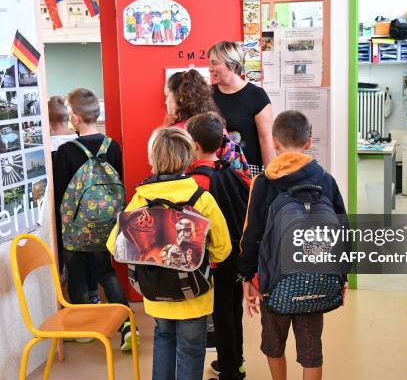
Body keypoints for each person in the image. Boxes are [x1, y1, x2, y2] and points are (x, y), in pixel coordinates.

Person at [108, 127, 231, 380]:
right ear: (189, 157)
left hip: (155, 291)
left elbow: (114, 245)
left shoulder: (141, 198)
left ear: (152, 159)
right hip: (194, 294)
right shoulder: (201, 199)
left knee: (163, 340)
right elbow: (223, 248)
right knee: (190, 348)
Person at [238, 111, 348, 380]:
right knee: (312, 350)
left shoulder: (263, 183)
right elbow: (343, 230)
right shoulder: (325, 180)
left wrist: (247, 278)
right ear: (309, 142)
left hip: (273, 281)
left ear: (275, 142)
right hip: (317, 277)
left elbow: (252, 236)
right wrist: (342, 275)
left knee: (273, 344)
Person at [52, 88, 134, 350]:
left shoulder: (66, 152)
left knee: (76, 276)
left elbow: (60, 194)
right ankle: (128, 326)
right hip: (106, 225)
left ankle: (85, 329)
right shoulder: (113, 146)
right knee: (106, 272)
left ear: (75, 118)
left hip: (75, 228)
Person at [185, 113, 250, 380]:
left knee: (221, 314)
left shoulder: (195, 182)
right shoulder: (235, 173)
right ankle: (236, 361)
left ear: (195, 145)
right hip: (239, 253)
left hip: (215, 259)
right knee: (234, 310)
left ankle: (231, 372)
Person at [48, 95, 100, 305]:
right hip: (96, 213)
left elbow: (59, 189)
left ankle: (80, 311)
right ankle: (94, 295)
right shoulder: (101, 144)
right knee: (95, 262)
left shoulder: (59, 150)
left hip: (70, 218)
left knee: (73, 263)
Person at [208, 41, 275, 176]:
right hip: (216, 173)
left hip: (249, 173)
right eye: (210, 63)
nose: (210, 68)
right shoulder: (207, 94)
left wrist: (271, 179)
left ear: (231, 64)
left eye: (214, 63)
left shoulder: (257, 95)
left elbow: (266, 139)